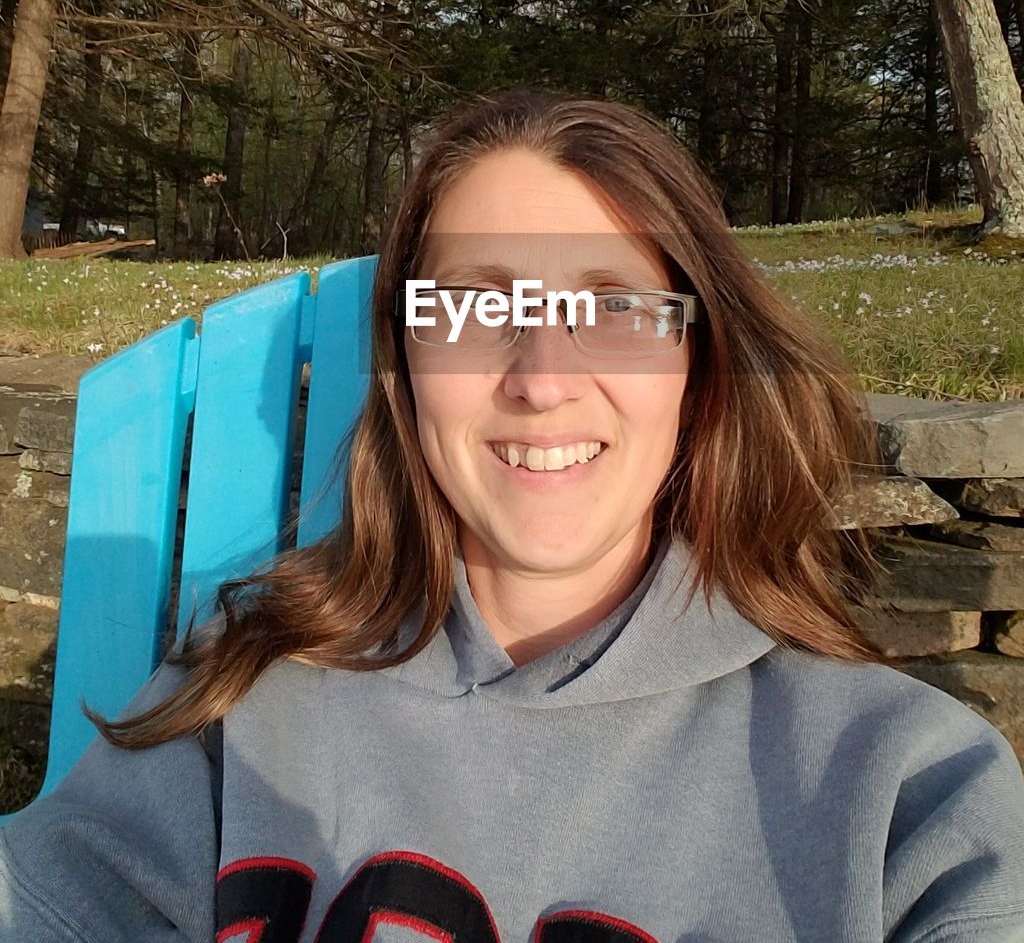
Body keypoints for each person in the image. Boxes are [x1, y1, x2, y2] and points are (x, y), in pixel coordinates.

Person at [1, 89, 1022, 943]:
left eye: (613, 308)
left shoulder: (904, 792)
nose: (542, 380)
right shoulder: (243, 693)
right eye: (476, 308)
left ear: (695, 369)